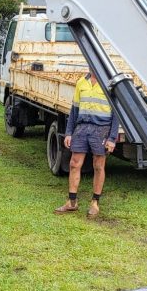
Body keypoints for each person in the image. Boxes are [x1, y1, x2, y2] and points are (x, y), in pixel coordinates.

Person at [54, 71, 119, 218]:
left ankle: (95, 203)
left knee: (98, 165)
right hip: (81, 128)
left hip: (102, 129)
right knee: (74, 163)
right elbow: (74, 109)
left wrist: (112, 138)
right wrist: (69, 132)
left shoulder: (110, 84)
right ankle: (72, 202)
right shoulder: (81, 82)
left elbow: (116, 113)